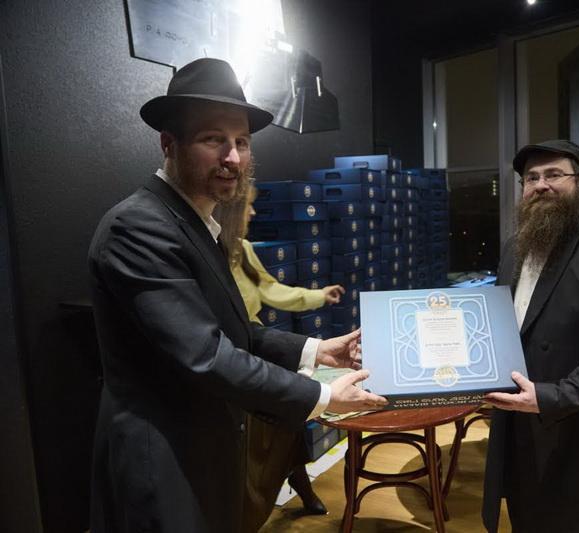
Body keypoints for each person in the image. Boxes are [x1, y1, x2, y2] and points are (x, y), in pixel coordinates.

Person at [88, 58, 387, 533]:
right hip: (162, 464)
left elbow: (231, 330)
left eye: (242, 142)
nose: (233, 158)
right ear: (169, 144)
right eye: (214, 139)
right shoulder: (138, 227)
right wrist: (323, 395)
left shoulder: (196, 225)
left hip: (205, 451)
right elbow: (205, 355)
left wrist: (314, 350)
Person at [481, 140, 579, 533]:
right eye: (532, 178)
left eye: (554, 174)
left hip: (575, 422)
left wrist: (551, 397)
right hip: (517, 422)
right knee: (526, 517)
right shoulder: (514, 248)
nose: (541, 185)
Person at [215, 184, 344, 529]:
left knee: (289, 425)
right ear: (231, 210)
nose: (253, 213)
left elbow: (271, 290)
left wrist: (319, 296)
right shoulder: (206, 255)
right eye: (248, 206)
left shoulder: (243, 250)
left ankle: (301, 488)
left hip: (260, 353)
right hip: (229, 368)